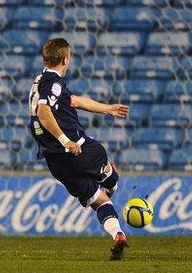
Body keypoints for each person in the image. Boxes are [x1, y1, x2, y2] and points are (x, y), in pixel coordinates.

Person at [29, 38, 130, 260]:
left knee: (99, 201)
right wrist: (66, 140)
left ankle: (118, 235)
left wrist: (108, 109)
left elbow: (75, 101)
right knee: (107, 170)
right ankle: (109, 179)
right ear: (66, 59)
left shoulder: (40, 82)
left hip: (56, 163)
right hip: (78, 150)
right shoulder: (52, 82)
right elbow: (43, 113)